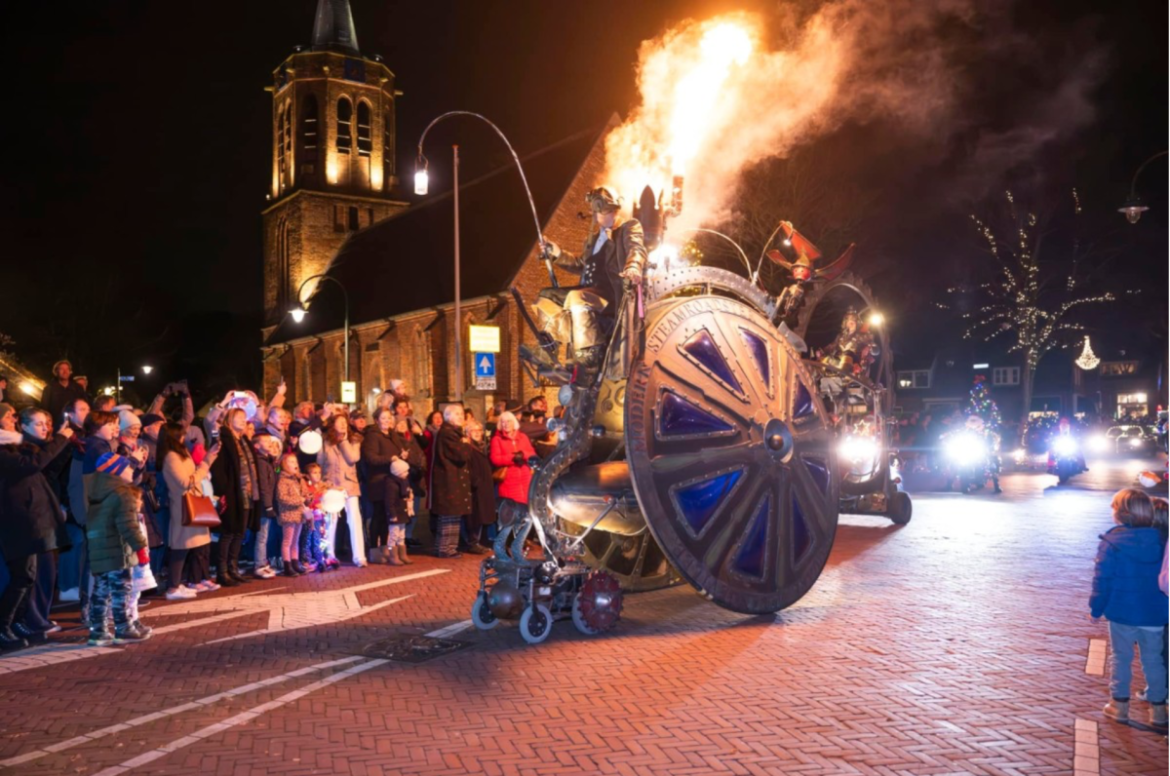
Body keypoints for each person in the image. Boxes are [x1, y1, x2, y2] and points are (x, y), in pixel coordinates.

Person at [523, 186, 647, 379]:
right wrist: (556, 253)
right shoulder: (595, 238)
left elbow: (636, 249)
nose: (596, 215)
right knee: (547, 296)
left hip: (613, 294)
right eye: (595, 210)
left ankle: (589, 355)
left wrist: (633, 266)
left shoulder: (628, 227)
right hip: (590, 291)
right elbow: (581, 265)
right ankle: (549, 348)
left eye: (600, 210)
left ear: (613, 209)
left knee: (577, 297)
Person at [1091, 489, 1168, 727]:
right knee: (1153, 659)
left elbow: (1102, 579)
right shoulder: (1161, 539)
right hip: (1155, 613)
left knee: (1121, 658)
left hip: (1122, 612)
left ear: (1121, 512)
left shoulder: (1112, 541)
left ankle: (1119, 705)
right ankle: (1158, 710)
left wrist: (1096, 608)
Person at [0, 408, 73, 650]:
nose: (14, 420)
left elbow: (43, 461)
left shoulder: (14, 445)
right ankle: (3, 627)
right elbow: (33, 464)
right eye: (9, 416)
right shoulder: (3, 451)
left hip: (27, 521)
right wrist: (61, 438)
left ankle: (16, 623)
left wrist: (61, 440)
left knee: (27, 576)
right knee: (21, 576)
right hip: (15, 522)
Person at [85, 452, 151, 646]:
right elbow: (128, 524)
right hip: (117, 549)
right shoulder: (123, 493)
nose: (131, 470)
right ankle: (123, 628)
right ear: (117, 471)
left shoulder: (97, 491)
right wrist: (141, 546)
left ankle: (98, 631)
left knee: (101, 590)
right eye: (127, 467)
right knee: (122, 589)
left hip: (100, 548)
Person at [160, 422, 220, 599]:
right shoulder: (171, 457)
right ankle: (172, 587)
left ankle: (178, 584)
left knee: (189, 547)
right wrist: (204, 465)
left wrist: (205, 462)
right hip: (184, 505)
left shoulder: (181, 453)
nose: (184, 437)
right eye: (181, 434)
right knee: (181, 547)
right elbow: (185, 482)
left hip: (190, 502)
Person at [209, 408, 260, 587]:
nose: (243, 420)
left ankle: (233, 568)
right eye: (239, 417)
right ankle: (222, 571)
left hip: (246, 492)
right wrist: (223, 491)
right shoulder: (223, 439)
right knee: (228, 532)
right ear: (229, 420)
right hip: (232, 492)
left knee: (240, 531)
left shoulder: (244, 440)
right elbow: (218, 469)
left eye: (244, 417)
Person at [318, 414, 366, 567]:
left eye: (345, 422)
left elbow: (353, 458)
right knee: (330, 522)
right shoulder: (325, 441)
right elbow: (320, 462)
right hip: (331, 485)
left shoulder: (354, 440)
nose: (343, 425)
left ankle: (359, 556)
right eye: (340, 422)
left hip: (349, 484)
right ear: (333, 425)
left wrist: (344, 440)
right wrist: (323, 483)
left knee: (354, 520)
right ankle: (329, 555)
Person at [431, 405, 472, 558]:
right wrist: (466, 443)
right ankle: (445, 548)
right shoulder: (449, 434)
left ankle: (447, 547)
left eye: (462, 413)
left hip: (452, 479)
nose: (461, 416)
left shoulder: (452, 433)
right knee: (449, 514)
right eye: (457, 414)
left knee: (453, 514)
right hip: (449, 480)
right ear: (448, 417)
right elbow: (461, 455)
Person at [490, 411, 536, 507]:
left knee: (527, 506)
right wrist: (512, 457)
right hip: (508, 479)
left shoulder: (523, 437)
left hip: (525, 477)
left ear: (514, 422)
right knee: (512, 508)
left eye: (509, 421)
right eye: (503, 422)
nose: (506, 424)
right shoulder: (497, 439)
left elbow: (532, 453)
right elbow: (495, 459)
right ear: (500, 424)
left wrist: (523, 454)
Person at [463, 422, 495, 554]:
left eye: (479, 430)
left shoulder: (482, 447)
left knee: (482, 514)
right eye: (473, 430)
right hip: (475, 486)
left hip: (484, 485)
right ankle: (473, 542)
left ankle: (480, 541)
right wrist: (476, 481)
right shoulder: (468, 447)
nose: (477, 432)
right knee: (475, 515)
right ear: (468, 433)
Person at [275, 453, 308, 576]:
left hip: (299, 514)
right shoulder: (283, 480)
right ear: (284, 464)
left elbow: (304, 494)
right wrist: (300, 500)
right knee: (287, 541)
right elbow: (282, 498)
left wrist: (307, 497)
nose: (295, 464)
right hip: (288, 514)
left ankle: (295, 563)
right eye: (291, 462)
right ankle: (287, 565)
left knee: (295, 540)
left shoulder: (298, 479)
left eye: (295, 461)